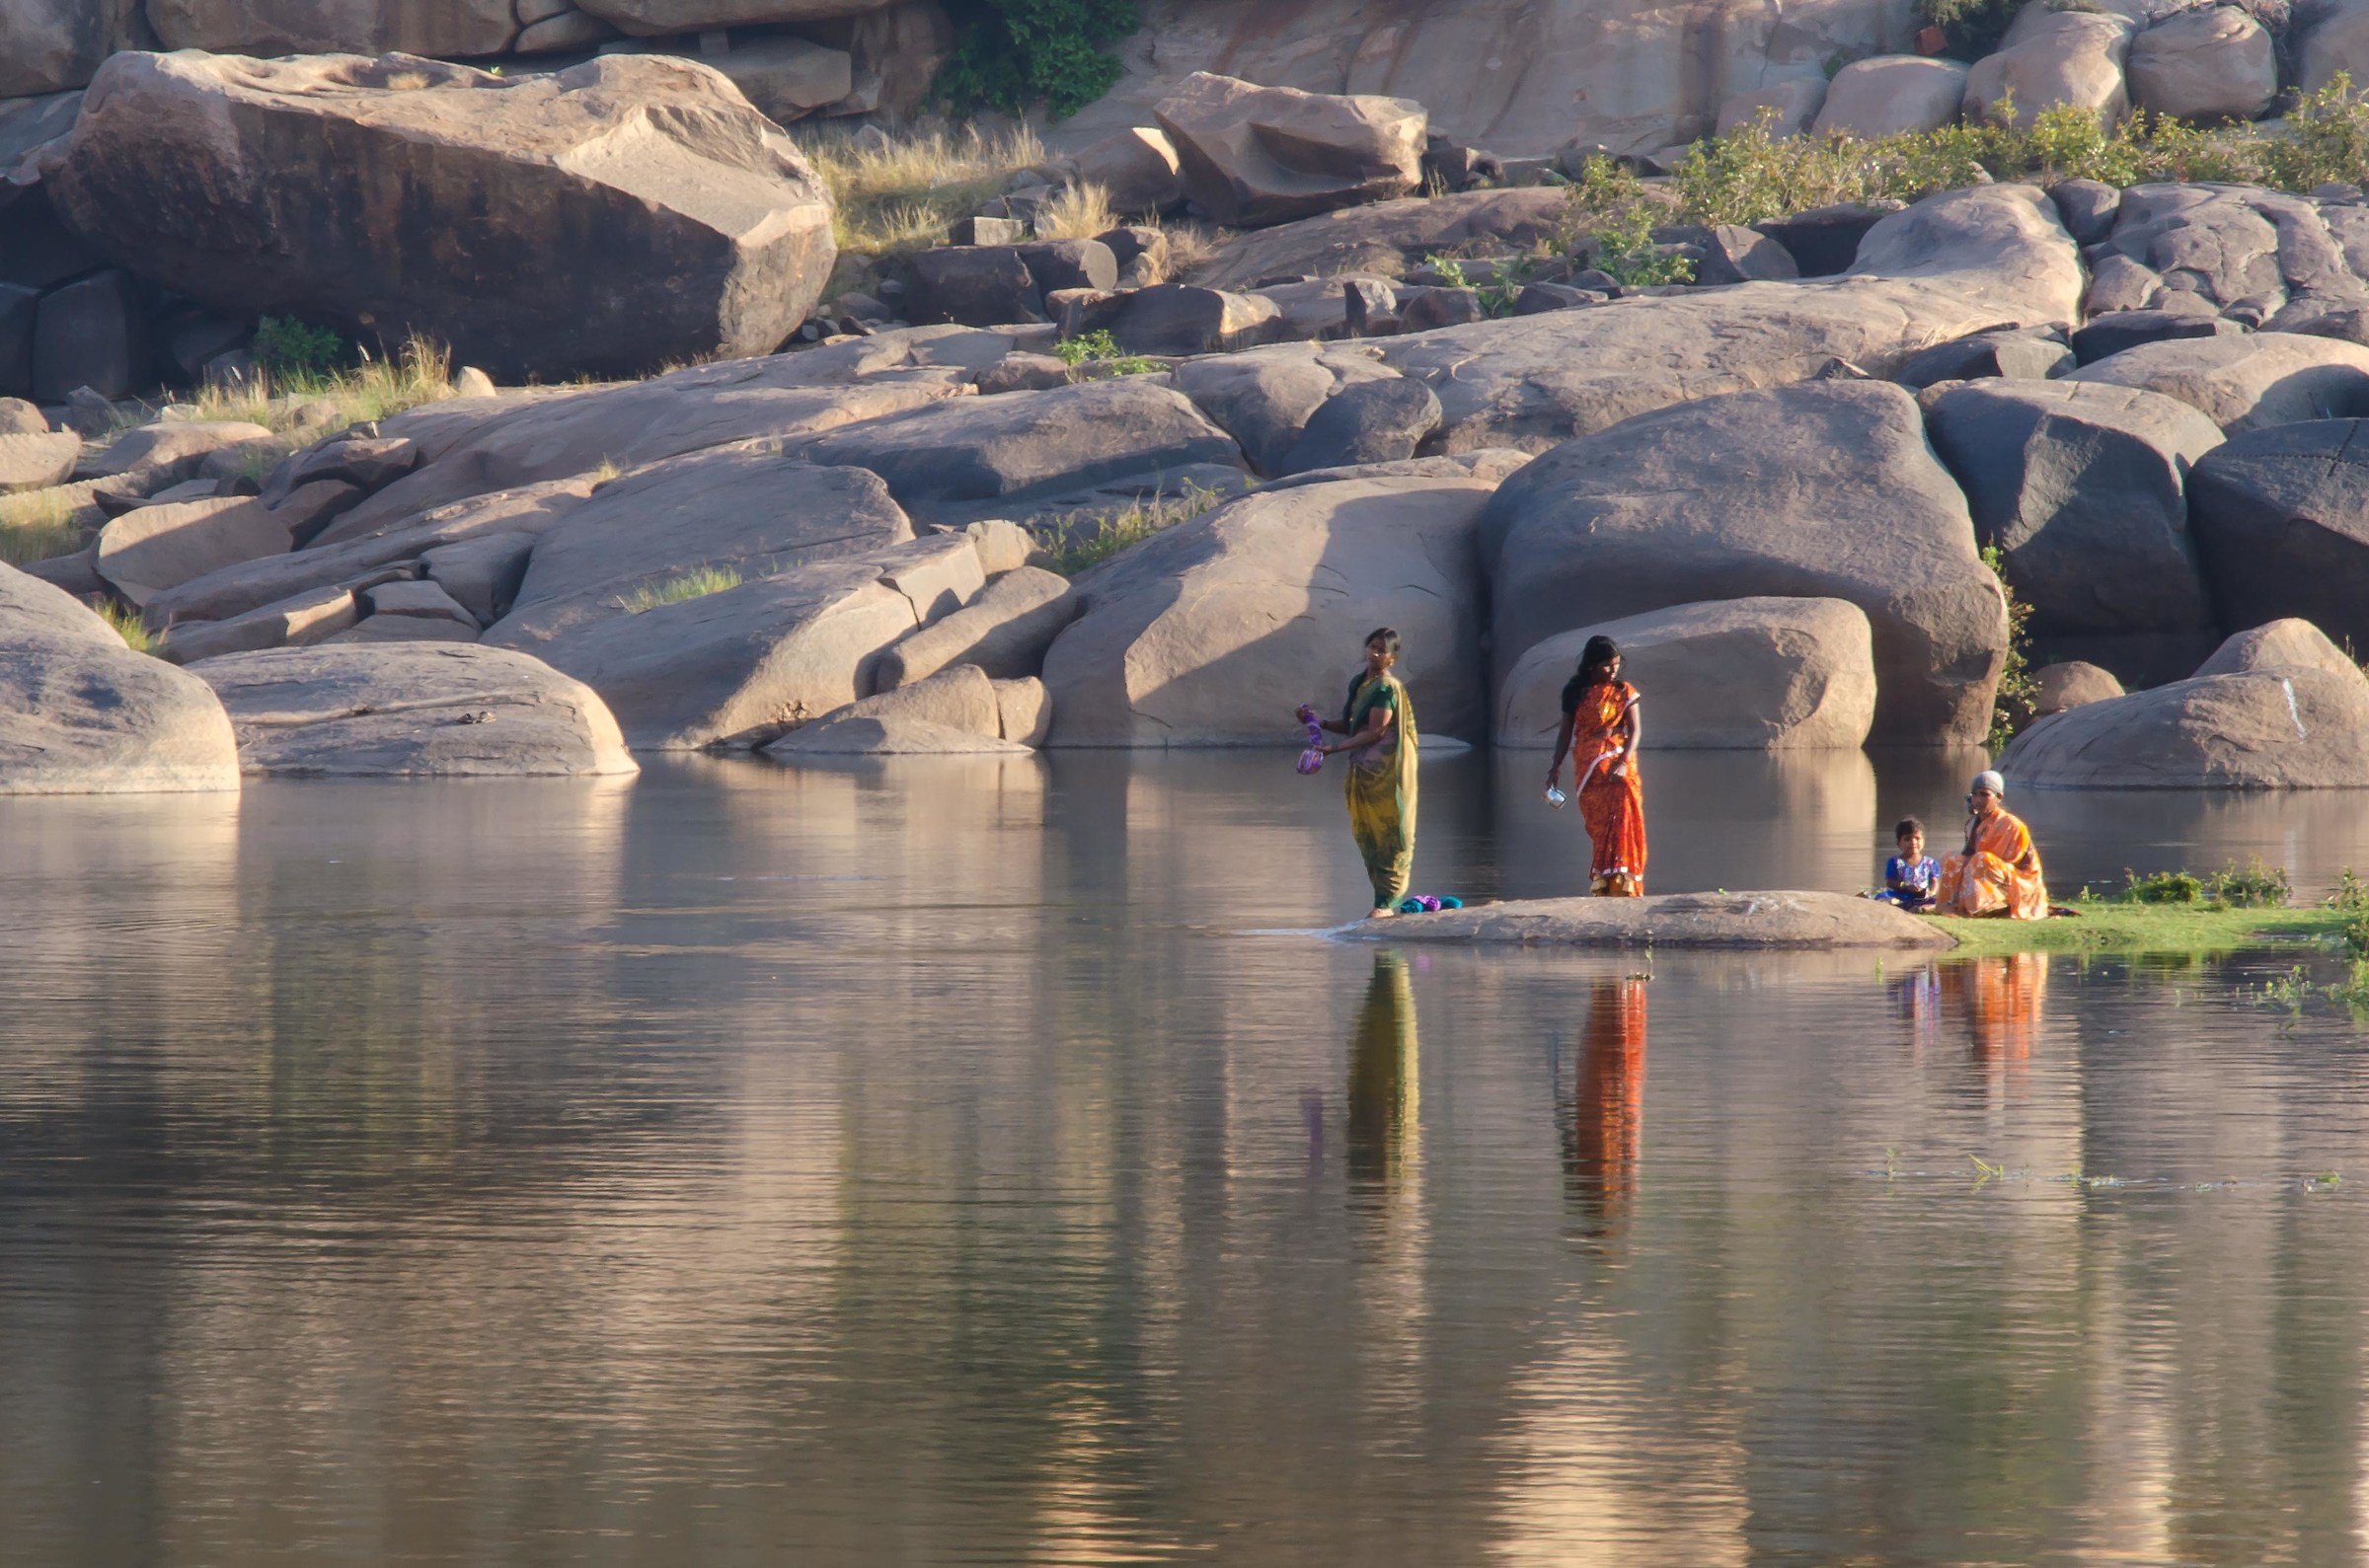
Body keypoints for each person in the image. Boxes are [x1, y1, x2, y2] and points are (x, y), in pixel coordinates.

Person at [1311, 627, 1418, 919]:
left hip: (1386, 773)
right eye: (1371, 646)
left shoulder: (1386, 687)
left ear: (1392, 658)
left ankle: (1389, 902)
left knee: (1390, 831)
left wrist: (1334, 750)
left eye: (1382, 650)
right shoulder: (1359, 683)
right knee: (1367, 832)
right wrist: (1318, 722)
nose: (1374, 653)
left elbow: (1375, 732)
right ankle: (1381, 901)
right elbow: (1351, 724)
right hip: (1363, 768)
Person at [1546, 635, 1646, 897]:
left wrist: (1623, 761)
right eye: (1606, 665)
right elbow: (1565, 734)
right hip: (1589, 763)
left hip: (1620, 761)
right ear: (1591, 666)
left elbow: (1635, 731)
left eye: (1616, 664)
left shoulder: (1624, 691)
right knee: (1599, 822)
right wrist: (1554, 767)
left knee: (1623, 815)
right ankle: (1603, 878)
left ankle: (1623, 878)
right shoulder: (1575, 693)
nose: (1613, 670)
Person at [1932, 770, 2049, 920]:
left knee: (1981, 860)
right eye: (1975, 794)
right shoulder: (1972, 824)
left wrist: (1971, 864)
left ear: (1998, 797)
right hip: (1984, 869)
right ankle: (1948, 905)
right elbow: (1966, 856)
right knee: (1951, 859)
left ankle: (1985, 905)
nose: (1978, 799)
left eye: (1984, 795)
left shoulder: (2011, 825)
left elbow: (2003, 861)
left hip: (2020, 881)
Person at [1874, 817, 1941, 910]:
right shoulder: (1895, 862)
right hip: (1901, 896)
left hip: (1922, 897)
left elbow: (1934, 881)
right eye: (1907, 839)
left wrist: (1931, 893)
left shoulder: (1930, 862)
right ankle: (1900, 906)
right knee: (1882, 896)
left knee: (1940, 901)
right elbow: (1890, 882)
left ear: (1923, 841)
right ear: (1898, 843)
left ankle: (1923, 909)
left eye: (1917, 838)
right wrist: (1905, 886)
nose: (1913, 842)